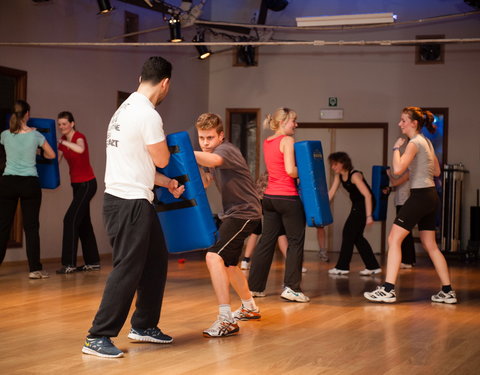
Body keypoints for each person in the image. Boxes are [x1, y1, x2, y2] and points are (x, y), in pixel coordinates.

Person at [82, 56, 184, 358]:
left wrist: (166, 184)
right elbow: (162, 158)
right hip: (129, 204)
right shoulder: (147, 114)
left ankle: (143, 325)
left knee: (155, 262)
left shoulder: (124, 110)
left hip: (134, 199)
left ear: (142, 78)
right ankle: (97, 335)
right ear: (165, 83)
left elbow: (137, 161)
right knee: (127, 269)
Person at [365, 107, 457, 304]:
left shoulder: (414, 143)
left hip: (420, 196)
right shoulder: (427, 142)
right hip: (431, 196)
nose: (400, 124)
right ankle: (447, 290)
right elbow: (438, 172)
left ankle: (388, 289)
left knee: (393, 238)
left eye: (403, 121)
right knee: (431, 245)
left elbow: (397, 170)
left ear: (414, 123)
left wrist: (396, 148)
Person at [194, 113, 262, 338]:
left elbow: (214, 161)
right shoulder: (209, 154)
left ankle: (226, 320)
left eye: (210, 137)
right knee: (230, 265)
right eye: (201, 138)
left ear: (221, 136)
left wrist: (180, 151)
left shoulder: (226, 151)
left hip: (245, 213)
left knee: (214, 257)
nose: (205, 142)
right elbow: (205, 182)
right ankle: (249, 307)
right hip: (235, 213)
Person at [248, 107, 309, 303]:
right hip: (288, 197)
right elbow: (291, 171)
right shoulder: (287, 140)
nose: (296, 125)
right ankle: (292, 288)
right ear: (283, 122)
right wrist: (308, 172)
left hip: (269, 198)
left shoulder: (267, 141)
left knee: (266, 241)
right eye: (294, 121)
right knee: (295, 242)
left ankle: (255, 287)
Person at [0, 100, 55, 279]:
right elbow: (51, 155)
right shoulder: (36, 135)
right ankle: (35, 269)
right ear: (27, 115)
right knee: (31, 227)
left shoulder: (4, 135)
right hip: (29, 183)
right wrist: (37, 152)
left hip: (8, 182)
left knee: (3, 226)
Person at [55, 111, 100, 274]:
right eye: (59, 124)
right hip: (76, 186)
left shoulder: (79, 137)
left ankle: (69, 264)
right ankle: (93, 261)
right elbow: (55, 160)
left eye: (64, 124)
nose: (61, 127)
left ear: (72, 124)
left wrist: (64, 142)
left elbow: (80, 149)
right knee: (83, 222)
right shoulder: (62, 143)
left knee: (70, 220)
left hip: (88, 184)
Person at [327, 152, 381, 276]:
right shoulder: (339, 176)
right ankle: (373, 266)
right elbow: (331, 194)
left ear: (343, 163)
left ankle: (342, 267)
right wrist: (319, 206)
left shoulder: (355, 175)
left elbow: (367, 195)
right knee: (357, 237)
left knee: (348, 232)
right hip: (357, 205)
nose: (333, 167)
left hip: (366, 204)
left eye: (335, 164)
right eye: (332, 165)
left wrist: (369, 216)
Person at [385, 165, 416, 269]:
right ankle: (409, 260)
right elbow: (397, 186)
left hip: (405, 204)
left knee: (404, 232)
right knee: (405, 232)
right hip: (401, 204)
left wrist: (389, 174)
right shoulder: (404, 172)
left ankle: (408, 261)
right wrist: (389, 189)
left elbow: (395, 182)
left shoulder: (409, 171)